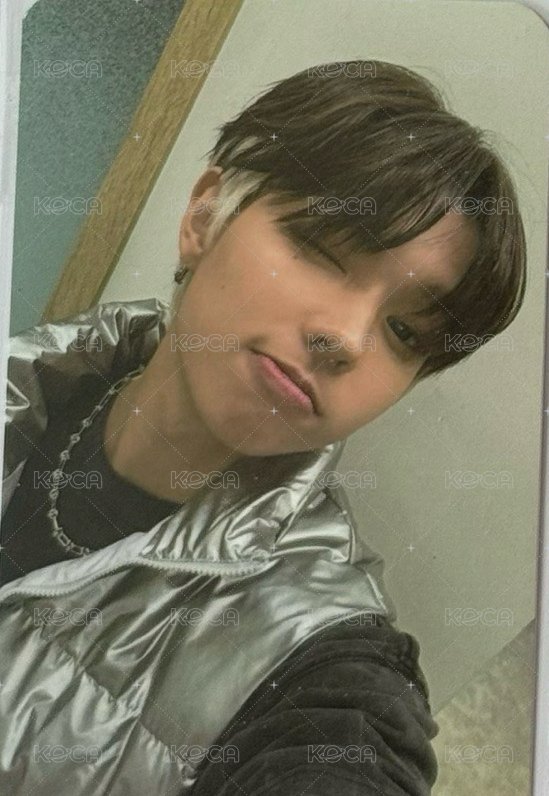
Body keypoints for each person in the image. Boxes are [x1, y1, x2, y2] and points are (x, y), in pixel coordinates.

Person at [0, 59, 526, 794]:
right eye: (322, 248)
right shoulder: (27, 382)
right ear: (204, 216)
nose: (346, 338)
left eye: (405, 331)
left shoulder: (325, 667)